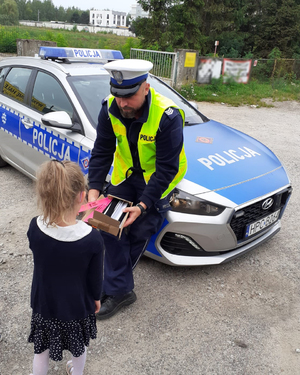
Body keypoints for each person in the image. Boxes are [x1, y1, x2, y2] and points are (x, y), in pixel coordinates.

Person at [88, 59, 187, 320]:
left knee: (138, 233)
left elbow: (166, 169)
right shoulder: (110, 109)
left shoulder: (168, 116)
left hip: (158, 182)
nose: (122, 103)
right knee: (107, 226)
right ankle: (119, 290)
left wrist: (142, 205)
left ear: (145, 87)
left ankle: (116, 286)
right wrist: (94, 189)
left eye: (129, 95)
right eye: (117, 95)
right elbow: (102, 151)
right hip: (125, 175)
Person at [27, 160, 104, 375]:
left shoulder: (35, 227)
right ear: (82, 196)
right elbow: (95, 278)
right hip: (77, 305)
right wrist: (96, 298)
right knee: (79, 346)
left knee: (41, 350)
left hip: (44, 303)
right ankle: (76, 372)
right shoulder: (92, 239)